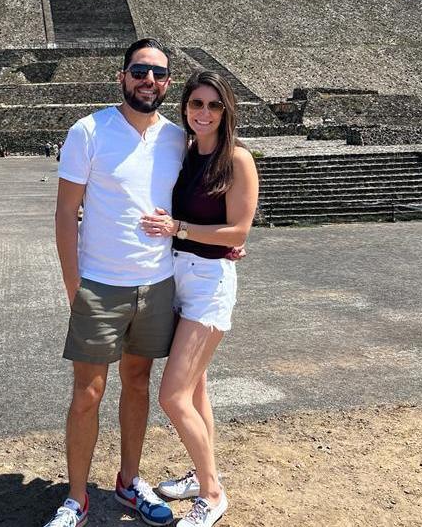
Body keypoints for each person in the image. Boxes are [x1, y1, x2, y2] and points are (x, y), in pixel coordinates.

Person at [45, 38, 185, 527]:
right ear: (122, 76)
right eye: (140, 71)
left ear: (169, 83)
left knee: (138, 383)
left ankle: (129, 480)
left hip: (157, 281)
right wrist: (72, 284)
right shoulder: (88, 131)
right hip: (100, 284)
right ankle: (76, 497)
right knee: (87, 393)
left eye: (160, 74)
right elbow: (66, 212)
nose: (150, 81)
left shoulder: (176, 137)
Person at [139, 71, 259, 527]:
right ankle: (201, 471)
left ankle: (212, 492)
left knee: (172, 395)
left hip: (209, 282)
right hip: (178, 277)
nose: (203, 113)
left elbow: (238, 231)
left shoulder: (238, 159)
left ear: (226, 110)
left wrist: (182, 231)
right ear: (185, 108)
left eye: (212, 105)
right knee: (196, 387)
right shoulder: (186, 154)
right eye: (196, 105)